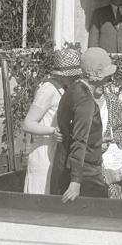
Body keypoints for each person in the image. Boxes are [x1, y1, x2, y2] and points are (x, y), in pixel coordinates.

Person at [52, 47, 116, 203]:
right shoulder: (85, 100)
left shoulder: (73, 90)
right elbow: (79, 141)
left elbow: (74, 131)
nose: (110, 80)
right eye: (107, 76)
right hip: (86, 175)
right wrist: (76, 181)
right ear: (95, 74)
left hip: (64, 165)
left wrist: (97, 140)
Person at [22, 49, 82, 194]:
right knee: (41, 195)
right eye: (71, 76)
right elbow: (27, 123)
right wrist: (51, 131)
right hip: (44, 151)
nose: (74, 78)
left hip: (57, 151)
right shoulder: (48, 89)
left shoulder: (65, 88)